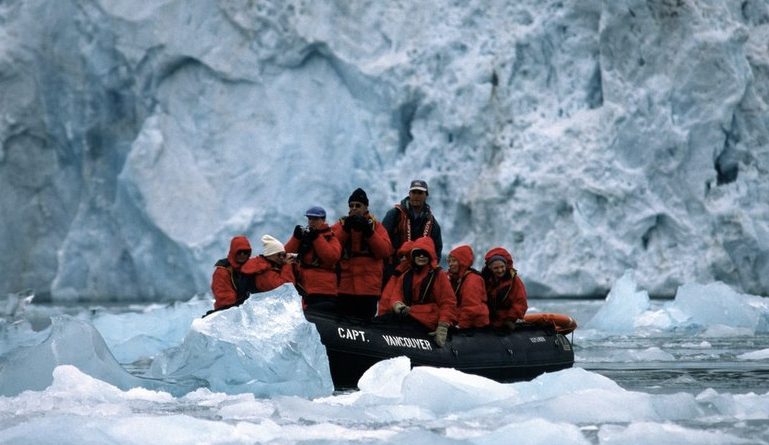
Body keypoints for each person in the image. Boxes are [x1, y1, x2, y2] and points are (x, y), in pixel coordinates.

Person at [381, 236, 456, 347]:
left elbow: (448, 302)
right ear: (413, 256)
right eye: (418, 253)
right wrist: (397, 304)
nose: (421, 256)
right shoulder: (406, 275)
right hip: (410, 316)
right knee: (383, 321)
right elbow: (396, 294)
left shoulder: (438, 275)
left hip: (429, 321)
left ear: (430, 256)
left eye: (425, 253)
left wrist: (443, 326)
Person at [332, 188, 393, 319]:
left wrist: (369, 232)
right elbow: (331, 250)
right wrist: (345, 230)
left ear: (366, 207)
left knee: (364, 323)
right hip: (345, 288)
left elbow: (385, 251)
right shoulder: (341, 225)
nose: (354, 208)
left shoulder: (376, 227)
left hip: (368, 289)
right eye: (351, 205)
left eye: (358, 205)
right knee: (344, 323)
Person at [382, 179, 443, 286]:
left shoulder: (432, 222)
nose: (416, 196)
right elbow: (382, 241)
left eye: (420, 193)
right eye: (414, 192)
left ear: (426, 195)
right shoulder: (394, 215)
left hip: (419, 274)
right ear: (409, 194)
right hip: (394, 270)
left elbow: (437, 250)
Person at [285, 206, 342, 308]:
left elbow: (332, 258)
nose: (311, 221)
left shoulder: (330, 237)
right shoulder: (305, 237)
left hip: (324, 290)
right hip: (306, 289)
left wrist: (316, 238)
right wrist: (296, 238)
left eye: (315, 219)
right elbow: (284, 256)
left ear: (323, 220)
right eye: (309, 218)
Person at [481, 247, 528, 331]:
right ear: (489, 267)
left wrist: (510, 319)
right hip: (488, 322)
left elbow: (520, 302)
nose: (500, 270)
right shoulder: (483, 280)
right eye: (496, 268)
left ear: (506, 265)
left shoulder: (514, 281)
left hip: (506, 322)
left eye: (502, 267)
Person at [446, 245, 489, 329]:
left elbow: (471, 307)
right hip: (459, 317)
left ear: (463, 261)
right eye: (449, 261)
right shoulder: (454, 277)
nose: (450, 264)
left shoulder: (472, 280)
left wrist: (461, 326)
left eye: (454, 261)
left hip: (474, 324)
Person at [210, 235, 256, 312]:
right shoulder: (222, 272)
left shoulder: (252, 267)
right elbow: (225, 301)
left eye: (245, 252)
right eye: (239, 252)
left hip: (247, 309)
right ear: (233, 252)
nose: (242, 255)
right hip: (227, 314)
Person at [377, 239, 414, 315]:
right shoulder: (397, 273)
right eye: (401, 256)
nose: (403, 259)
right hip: (394, 314)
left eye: (406, 255)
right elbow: (386, 298)